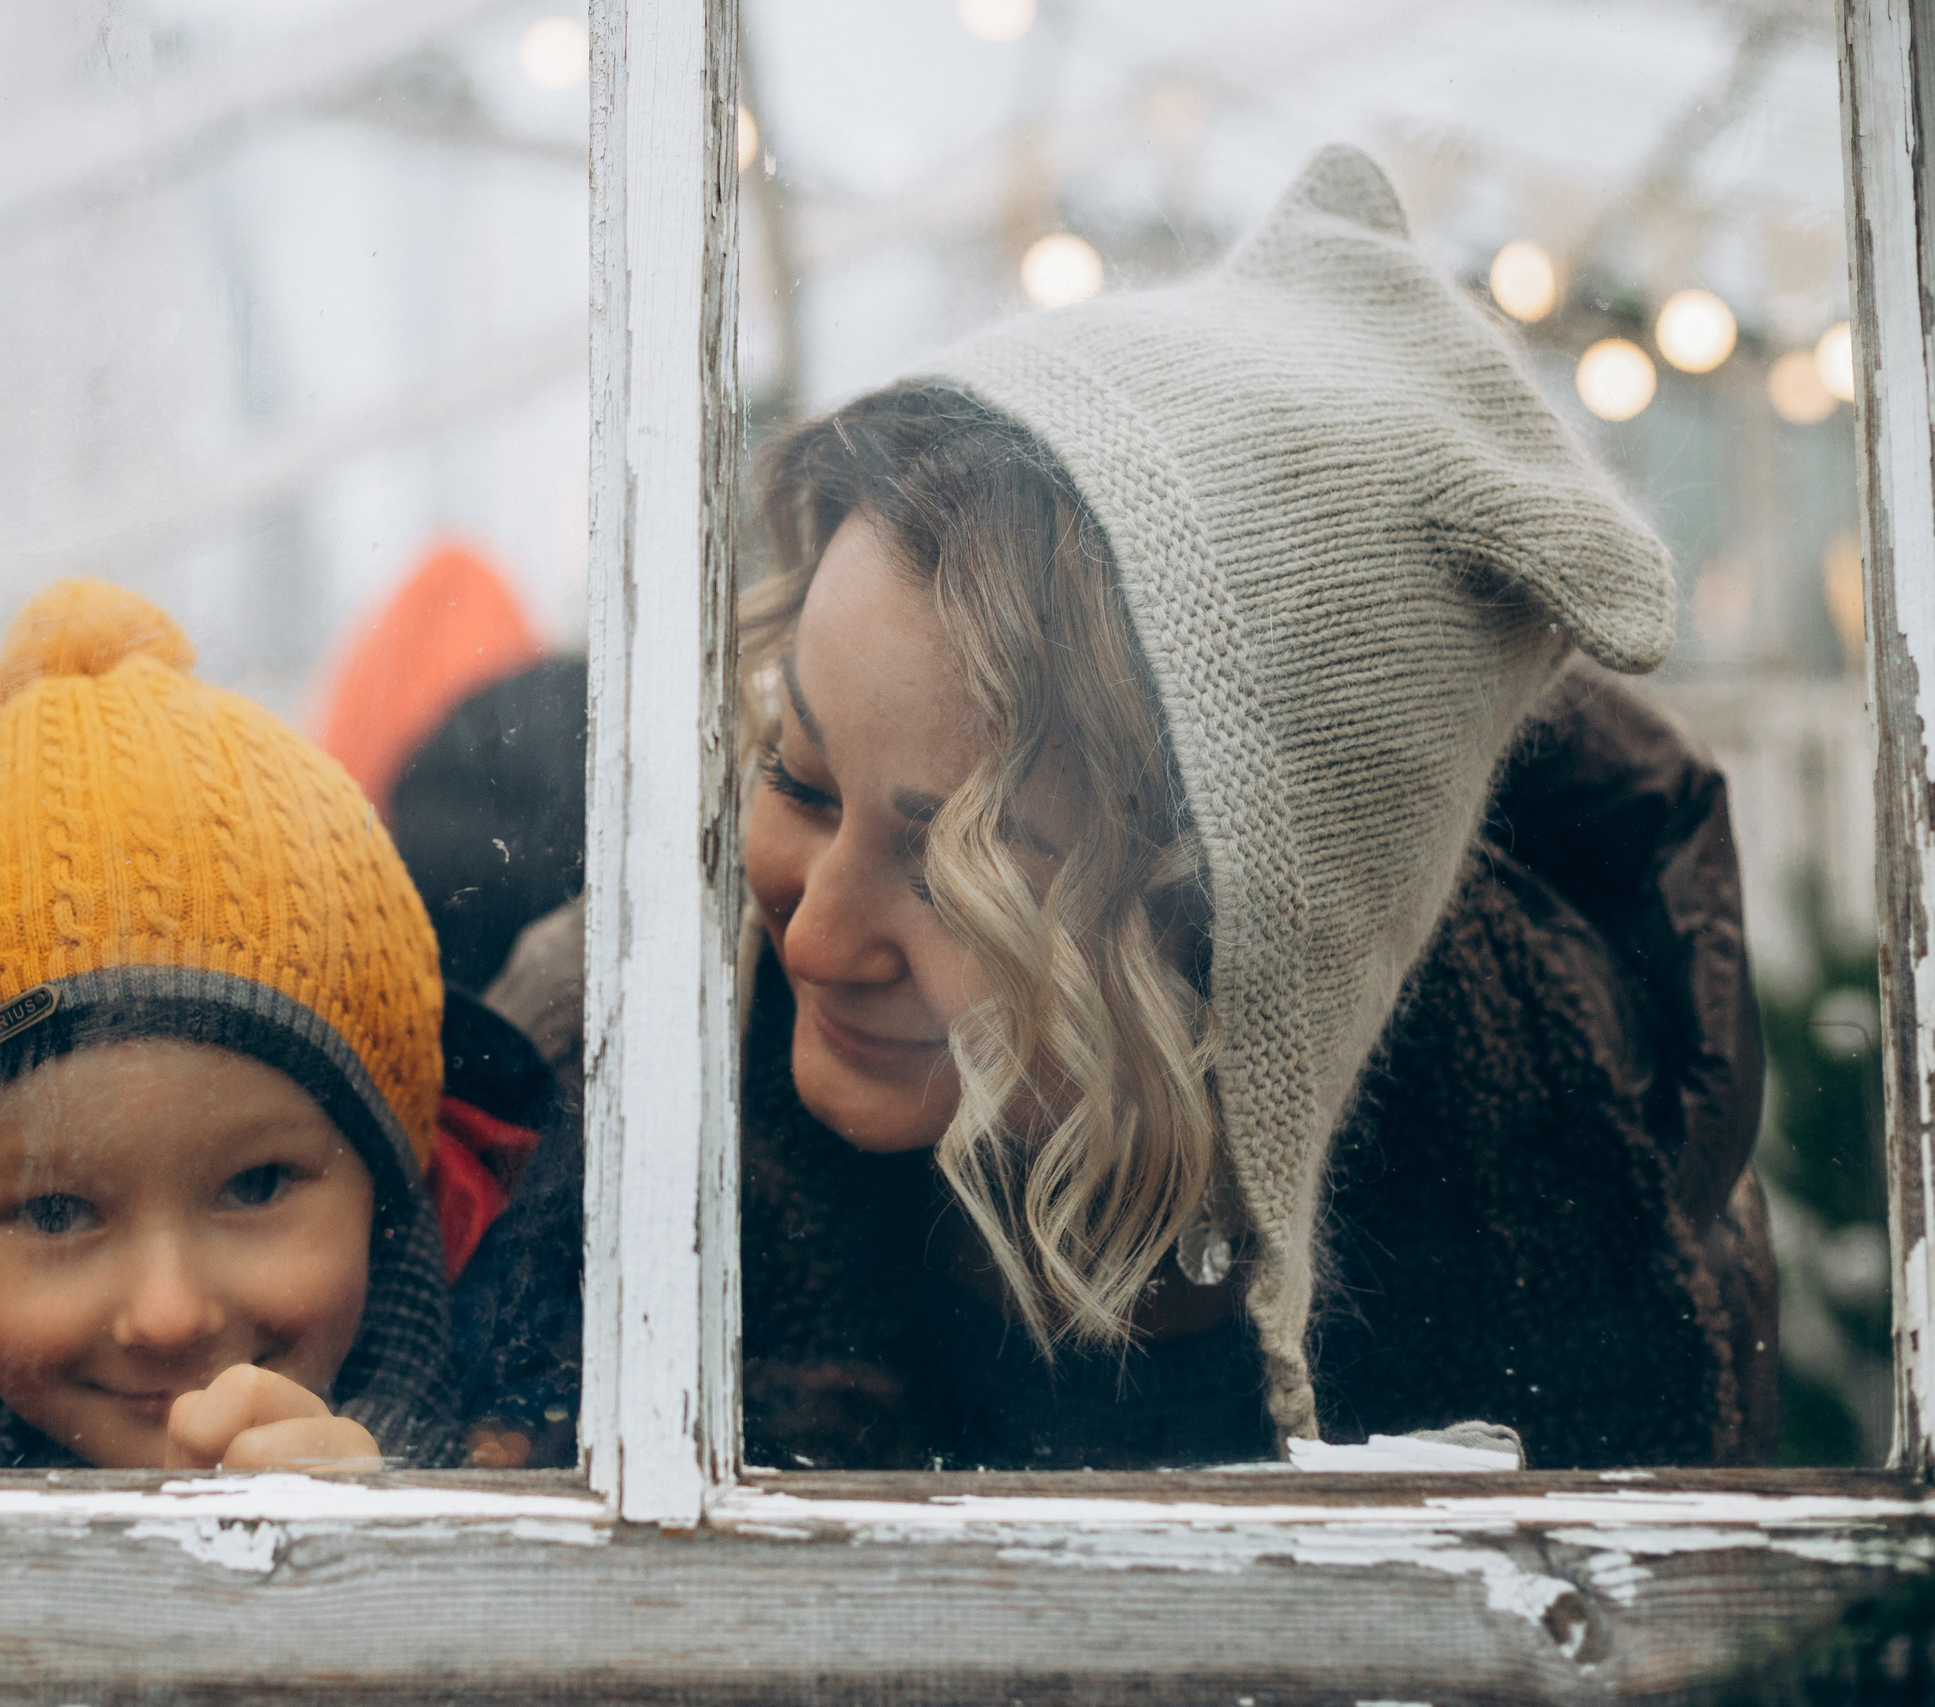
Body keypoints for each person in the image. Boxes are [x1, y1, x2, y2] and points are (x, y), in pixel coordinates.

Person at [462, 145, 1775, 1471]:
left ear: (1241, 944)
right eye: (799, 777)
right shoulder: (597, 1070)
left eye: (956, 867)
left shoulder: (1572, 1253)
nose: (811, 937)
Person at [0, 579, 555, 1471]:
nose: (167, 1312)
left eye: (258, 1184)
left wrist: (374, 1575)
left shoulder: (537, 1387)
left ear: (389, 1176)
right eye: (56, 1208)